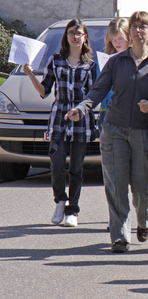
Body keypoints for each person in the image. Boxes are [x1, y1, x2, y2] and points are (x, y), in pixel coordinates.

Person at [67, 11, 148, 253]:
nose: (139, 31)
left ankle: (144, 220)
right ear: (129, 33)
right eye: (135, 26)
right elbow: (98, 91)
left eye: (143, 27)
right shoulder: (116, 62)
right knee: (116, 186)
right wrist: (82, 108)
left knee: (143, 187)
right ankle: (120, 237)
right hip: (114, 129)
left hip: (144, 132)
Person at [24, 19, 97, 227]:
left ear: (85, 38)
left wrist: (82, 111)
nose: (75, 37)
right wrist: (30, 74)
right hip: (59, 118)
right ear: (66, 37)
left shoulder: (90, 65)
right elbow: (44, 90)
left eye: (79, 33)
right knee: (56, 166)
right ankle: (60, 200)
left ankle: (72, 211)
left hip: (80, 119)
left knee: (76, 168)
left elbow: (93, 96)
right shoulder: (56, 60)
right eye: (71, 33)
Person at [98, 18, 129, 128]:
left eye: (120, 38)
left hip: (127, 116)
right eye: (113, 39)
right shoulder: (104, 59)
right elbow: (98, 88)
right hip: (107, 115)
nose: (116, 43)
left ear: (129, 37)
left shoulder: (135, 59)